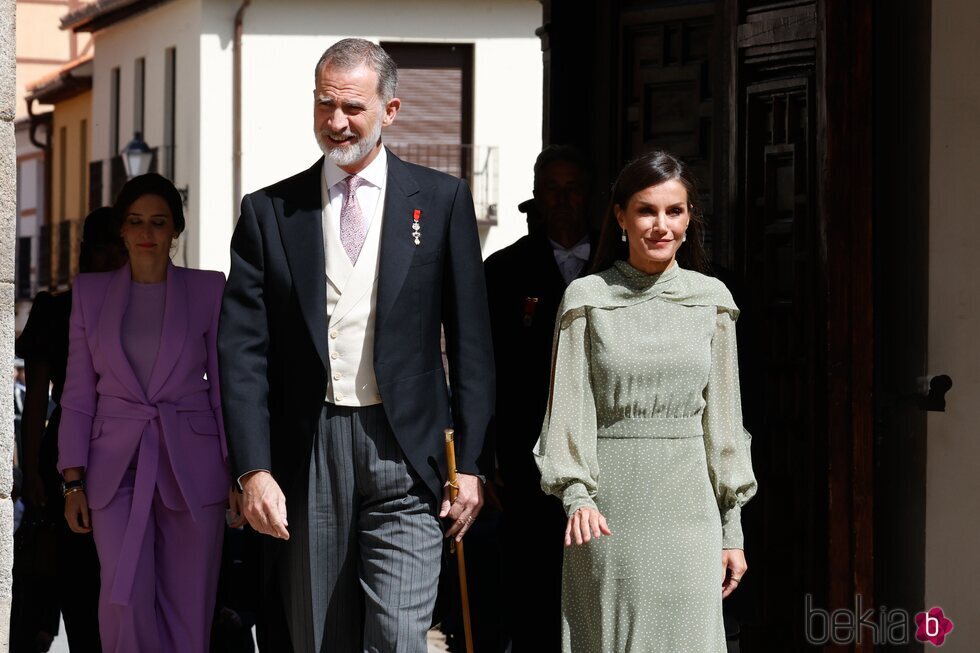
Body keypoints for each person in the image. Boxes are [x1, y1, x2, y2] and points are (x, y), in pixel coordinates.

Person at [218, 38, 494, 652]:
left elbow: (471, 341)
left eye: (353, 108)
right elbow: (242, 354)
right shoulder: (269, 212)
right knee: (319, 635)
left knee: (399, 636)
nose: (336, 122)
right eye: (324, 105)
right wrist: (253, 469)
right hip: (308, 448)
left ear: (390, 111)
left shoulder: (442, 201)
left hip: (408, 451)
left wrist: (470, 464)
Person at [534, 150, 758, 652]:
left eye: (674, 211)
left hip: (691, 517)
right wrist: (576, 496)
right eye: (646, 210)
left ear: (689, 219)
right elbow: (567, 411)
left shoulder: (712, 300)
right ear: (620, 216)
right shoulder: (586, 298)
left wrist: (732, 530)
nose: (661, 225)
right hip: (609, 514)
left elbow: (725, 423)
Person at [58, 173, 242, 653]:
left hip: (194, 468)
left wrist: (239, 475)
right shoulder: (90, 294)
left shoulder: (208, 290)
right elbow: (78, 395)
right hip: (114, 469)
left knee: (189, 610)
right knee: (125, 605)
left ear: (175, 231)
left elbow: (226, 391)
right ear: (121, 229)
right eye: (136, 221)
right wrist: (71, 480)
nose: (147, 232)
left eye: (159, 222)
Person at [484, 145, 595, 651]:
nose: (564, 200)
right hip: (527, 455)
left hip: (601, 454)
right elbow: (483, 368)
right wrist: (484, 456)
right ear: (537, 197)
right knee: (531, 590)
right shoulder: (504, 270)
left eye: (573, 188)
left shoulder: (621, 263)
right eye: (554, 188)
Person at [14, 205, 126, 653]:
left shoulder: (147, 308)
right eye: (100, 252)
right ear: (84, 254)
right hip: (67, 450)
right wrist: (34, 474)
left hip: (125, 448)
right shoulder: (56, 310)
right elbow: (37, 397)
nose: (109, 261)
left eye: (115, 251)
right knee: (75, 578)